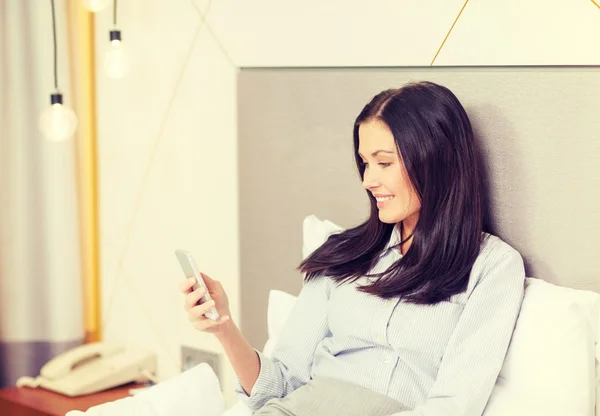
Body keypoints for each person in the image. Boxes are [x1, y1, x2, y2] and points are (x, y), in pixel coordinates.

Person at [179, 81, 526, 416]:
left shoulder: (491, 267)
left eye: (384, 162)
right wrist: (224, 328)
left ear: (434, 159)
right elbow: (282, 385)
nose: (367, 180)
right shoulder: (342, 254)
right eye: (365, 162)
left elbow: (453, 407)